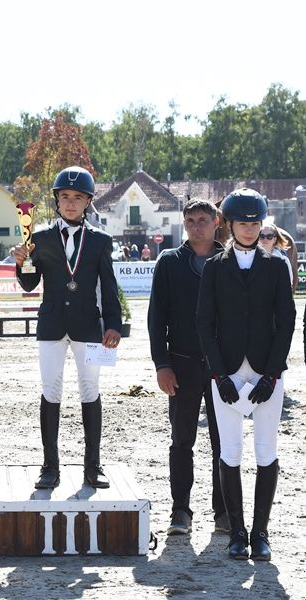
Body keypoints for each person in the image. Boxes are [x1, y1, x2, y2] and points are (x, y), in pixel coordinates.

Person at [196, 188, 295, 561]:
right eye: (243, 223)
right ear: (230, 225)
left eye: (255, 224)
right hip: (228, 371)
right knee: (231, 451)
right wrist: (218, 374)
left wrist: (272, 374)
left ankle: (261, 532)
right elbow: (204, 323)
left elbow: (286, 322)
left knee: (266, 451)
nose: (250, 230)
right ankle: (237, 533)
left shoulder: (276, 266)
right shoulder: (214, 267)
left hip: (266, 371)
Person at [10, 166, 122, 490]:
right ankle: (50, 466)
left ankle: (93, 466)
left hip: (88, 325)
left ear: (88, 201)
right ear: (57, 201)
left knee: (90, 390)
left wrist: (113, 324)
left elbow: (109, 286)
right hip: (52, 324)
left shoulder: (100, 241)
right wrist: (21, 263)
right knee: (51, 390)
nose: (70, 203)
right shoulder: (39, 238)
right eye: (65, 197)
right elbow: (30, 284)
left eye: (77, 197)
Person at [148, 199, 227, 536]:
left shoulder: (230, 261)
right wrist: (161, 364)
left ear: (216, 222)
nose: (196, 226)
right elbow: (156, 317)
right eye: (190, 220)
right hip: (181, 365)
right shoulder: (169, 262)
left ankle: (224, 512)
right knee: (182, 441)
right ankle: (180, 511)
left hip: (223, 368)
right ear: (184, 224)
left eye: (202, 220)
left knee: (224, 444)